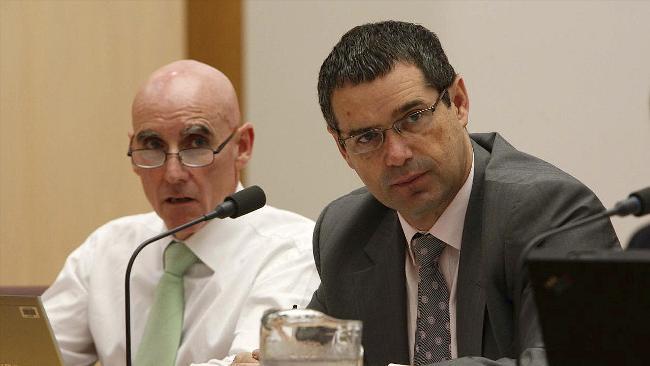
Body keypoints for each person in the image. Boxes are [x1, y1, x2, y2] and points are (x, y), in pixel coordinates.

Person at [233, 21, 621, 366]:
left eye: (413, 118)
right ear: (342, 150)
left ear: (460, 102)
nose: (397, 155)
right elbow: (315, 355)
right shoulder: (345, 231)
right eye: (367, 137)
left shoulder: (550, 212)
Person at [42, 60, 319, 366]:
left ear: (242, 147)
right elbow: (25, 355)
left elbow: (256, 364)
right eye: (152, 145)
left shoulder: (293, 251)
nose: (173, 173)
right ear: (133, 155)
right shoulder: (108, 248)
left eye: (197, 143)